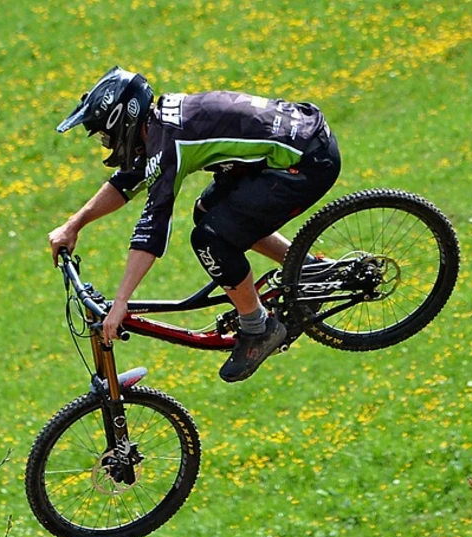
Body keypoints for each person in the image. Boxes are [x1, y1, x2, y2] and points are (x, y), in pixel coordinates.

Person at [48, 66, 341, 382]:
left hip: (306, 163)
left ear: (125, 120)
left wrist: (120, 303)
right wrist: (74, 225)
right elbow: (127, 182)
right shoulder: (161, 126)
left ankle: (258, 328)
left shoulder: (168, 144)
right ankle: (310, 271)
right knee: (208, 212)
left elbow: (153, 226)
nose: (107, 144)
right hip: (301, 142)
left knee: (210, 239)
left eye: (106, 135)